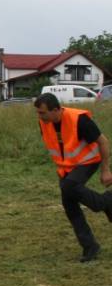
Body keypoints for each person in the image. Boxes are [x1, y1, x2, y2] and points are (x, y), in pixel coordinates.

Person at [34, 93, 112, 262]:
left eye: (42, 113)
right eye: (38, 113)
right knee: (69, 204)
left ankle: (106, 201)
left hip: (88, 161)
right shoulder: (45, 122)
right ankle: (90, 247)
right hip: (66, 167)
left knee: (68, 187)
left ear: (56, 110)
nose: (39, 116)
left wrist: (106, 170)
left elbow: (103, 142)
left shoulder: (80, 120)